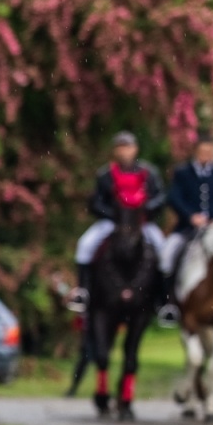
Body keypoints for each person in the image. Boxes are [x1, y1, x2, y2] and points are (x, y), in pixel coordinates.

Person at [66, 131, 167, 313]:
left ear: (135, 149)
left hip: (142, 223)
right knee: (85, 245)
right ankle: (83, 291)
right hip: (112, 223)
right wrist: (116, 214)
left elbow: (159, 198)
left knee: (163, 251)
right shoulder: (105, 174)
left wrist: (142, 211)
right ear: (114, 151)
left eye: (127, 147)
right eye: (120, 147)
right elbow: (96, 202)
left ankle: (163, 300)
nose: (124, 151)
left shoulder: (148, 173)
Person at [160, 135, 213, 322]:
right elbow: (174, 198)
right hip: (187, 228)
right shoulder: (183, 172)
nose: (206, 155)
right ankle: (169, 303)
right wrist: (191, 216)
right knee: (167, 255)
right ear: (196, 152)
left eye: (210, 152)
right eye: (203, 152)